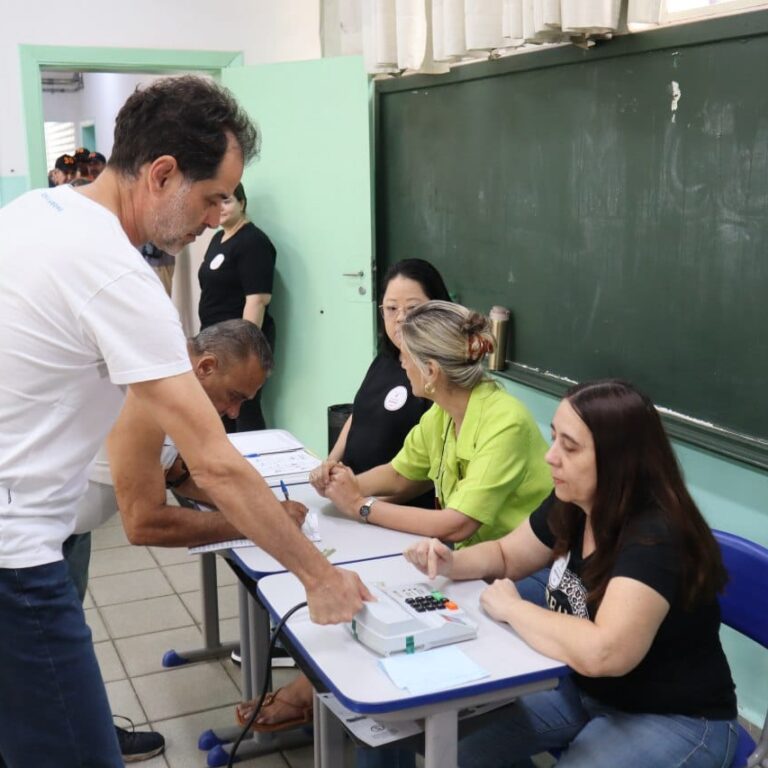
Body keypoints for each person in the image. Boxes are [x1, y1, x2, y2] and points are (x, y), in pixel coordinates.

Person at [0, 75, 369, 768]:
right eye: (210, 197)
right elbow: (217, 462)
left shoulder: (37, 212)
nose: (217, 215)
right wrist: (320, 578)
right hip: (13, 557)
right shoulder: (114, 273)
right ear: (161, 174)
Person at [236, 300, 552, 731]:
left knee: (397, 628)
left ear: (432, 372)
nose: (399, 362)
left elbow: (458, 523)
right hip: (465, 560)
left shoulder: (504, 421)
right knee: (378, 609)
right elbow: (404, 474)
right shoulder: (444, 412)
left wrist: (361, 507)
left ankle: (365, 713)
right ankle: (344, 709)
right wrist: (346, 483)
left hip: (518, 570)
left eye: (406, 355)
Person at [403, 379, 738, 768]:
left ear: (618, 460)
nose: (550, 456)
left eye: (570, 446)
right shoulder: (576, 501)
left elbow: (604, 652)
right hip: (584, 689)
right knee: (457, 748)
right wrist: (451, 562)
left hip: (675, 718)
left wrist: (513, 608)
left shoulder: (655, 537)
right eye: (554, 438)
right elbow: (507, 555)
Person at [198, 182, 276, 431]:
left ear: (242, 203)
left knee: (243, 407)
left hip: (239, 344)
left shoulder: (254, 242)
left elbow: (257, 300)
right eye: (216, 202)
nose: (221, 208)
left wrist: (243, 350)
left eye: (228, 201)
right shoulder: (218, 239)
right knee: (219, 407)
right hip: (213, 340)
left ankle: (254, 466)